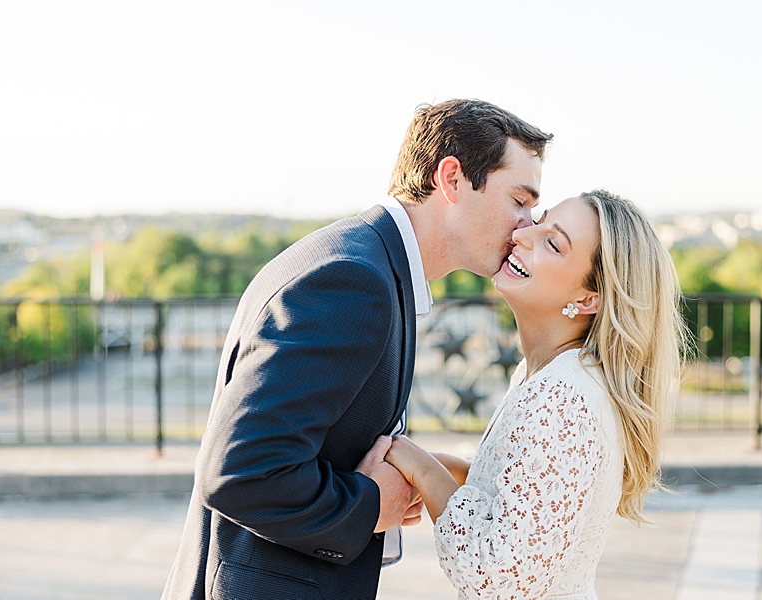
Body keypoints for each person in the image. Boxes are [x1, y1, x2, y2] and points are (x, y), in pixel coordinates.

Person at [161, 99, 552, 600]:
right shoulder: (355, 280)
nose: (526, 226)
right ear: (452, 179)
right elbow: (239, 471)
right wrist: (368, 504)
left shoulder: (366, 263)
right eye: (519, 200)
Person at [384, 190, 686, 599]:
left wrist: (417, 464)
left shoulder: (563, 396)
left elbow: (499, 578)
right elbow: (525, 493)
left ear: (587, 298)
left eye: (553, 243)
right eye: (539, 220)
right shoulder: (549, 374)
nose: (523, 235)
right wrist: (453, 469)